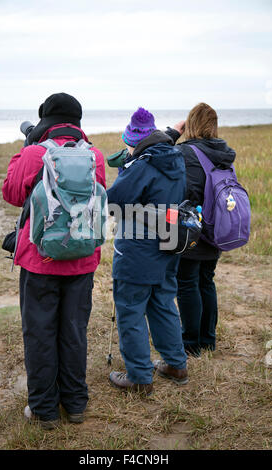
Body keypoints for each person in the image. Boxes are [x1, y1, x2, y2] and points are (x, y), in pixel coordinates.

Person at [2, 92, 106, 429]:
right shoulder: (96, 156)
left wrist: (28, 150)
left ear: (45, 120)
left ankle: (44, 410)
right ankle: (75, 404)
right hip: (83, 260)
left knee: (40, 334)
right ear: (77, 122)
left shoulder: (34, 153)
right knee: (74, 332)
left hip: (39, 260)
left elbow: (11, 193)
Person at [107, 107, 188, 395]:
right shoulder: (174, 158)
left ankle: (140, 377)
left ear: (135, 140)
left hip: (138, 249)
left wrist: (124, 167)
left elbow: (113, 200)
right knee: (163, 302)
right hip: (169, 241)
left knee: (130, 309)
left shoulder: (141, 165)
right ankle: (176, 364)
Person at [166, 103, 236, 357]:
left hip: (192, 227)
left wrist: (172, 134)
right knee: (206, 281)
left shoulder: (185, 153)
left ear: (190, 124)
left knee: (187, 283)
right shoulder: (225, 153)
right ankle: (208, 339)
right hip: (219, 226)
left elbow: (183, 189)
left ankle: (191, 343)